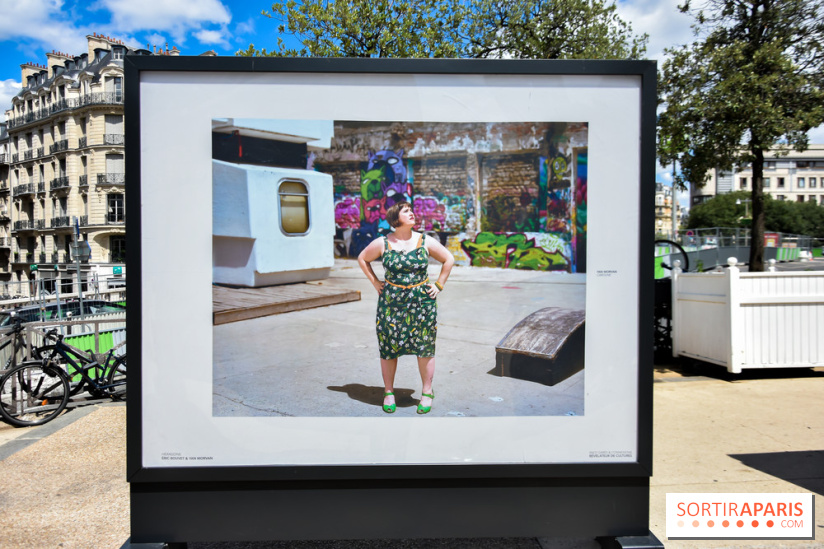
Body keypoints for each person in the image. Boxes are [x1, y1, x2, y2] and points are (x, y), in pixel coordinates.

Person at [357, 201, 454, 415]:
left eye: (411, 211)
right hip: (391, 303)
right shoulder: (382, 243)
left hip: (422, 302)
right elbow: (362, 258)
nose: (412, 214)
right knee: (389, 347)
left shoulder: (424, 240)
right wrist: (375, 282)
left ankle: (427, 392)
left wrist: (439, 285)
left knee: (425, 347)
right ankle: (389, 392)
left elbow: (449, 259)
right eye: (406, 211)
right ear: (395, 219)